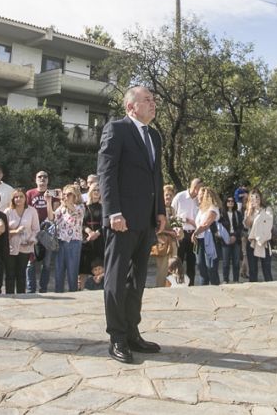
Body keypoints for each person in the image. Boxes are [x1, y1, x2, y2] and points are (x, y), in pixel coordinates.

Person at [97, 85, 166, 364]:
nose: (153, 104)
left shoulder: (155, 136)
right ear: (131, 107)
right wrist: (113, 211)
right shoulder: (117, 129)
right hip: (121, 220)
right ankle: (117, 337)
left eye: (153, 100)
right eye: (147, 100)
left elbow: (156, 176)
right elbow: (106, 172)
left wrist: (160, 211)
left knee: (138, 280)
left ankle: (132, 332)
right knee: (115, 280)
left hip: (146, 220)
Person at [24, 170, 53, 293]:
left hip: (47, 231)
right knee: (31, 261)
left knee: (46, 263)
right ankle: (31, 289)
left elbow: (53, 215)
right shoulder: (30, 193)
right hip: (33, 230)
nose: (42, 178)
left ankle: (43, 289)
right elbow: (26, 211)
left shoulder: (52, 193)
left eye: (45, 176)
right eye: (39, 176)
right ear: (35, 179)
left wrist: (48, 200)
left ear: (48, 179)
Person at [5, 189, 38, 294]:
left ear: (25, 198)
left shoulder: (32, 211)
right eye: (16, 197)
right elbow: (3, 231)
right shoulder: (8, 212)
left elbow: (36, 229)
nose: (18, 199)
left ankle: (21, 296)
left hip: (25, 246)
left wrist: (31, 240)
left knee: (21, 273)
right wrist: (15, 231)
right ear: (13, 199)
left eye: (21, 196)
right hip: (11, 247)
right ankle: (9, 296)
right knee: (10, 274)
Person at [170, 177, 201, 286]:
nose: (200, 191)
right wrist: (177, 227)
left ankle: (191, 285)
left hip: (194, 234)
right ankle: (177, 284)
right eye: (199, 188)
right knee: (178, 261)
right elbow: (172, 215)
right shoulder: (180, 196)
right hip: (181, 233)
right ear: (195, 187)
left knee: (192, 262)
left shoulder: (200, 199)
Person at [52, 184, 84, 293]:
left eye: (69, 194)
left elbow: (74, 210)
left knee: (72, 271)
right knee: (59, 271)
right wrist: (48, 201)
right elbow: (52, 217)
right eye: (65, 194)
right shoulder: (62, 208)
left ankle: (73, 293)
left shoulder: (81, 206)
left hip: (73, 242)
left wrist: (64, 201)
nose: (66, 196)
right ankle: (59, 293)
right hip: (60, 241)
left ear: (75, 195)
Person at [194, 186, 222, 286]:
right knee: (202, 268)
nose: (198, 197)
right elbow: (198, 224)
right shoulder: (201, 209)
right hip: (199, 240)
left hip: (210, 240)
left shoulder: (213, 208)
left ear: (205, 196)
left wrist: (195, 233)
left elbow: (206, 224)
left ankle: (216, 291)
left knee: (211, 268)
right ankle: (204, 293)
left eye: (200, 195)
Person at [244, 188, 274, 282]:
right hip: (252, 242)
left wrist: (258, 211)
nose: (255, 199)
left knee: (267, 269)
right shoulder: (248, 211)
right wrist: (250, 211)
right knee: (252, 270)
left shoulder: (267, 209)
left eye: (257, 197)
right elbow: (247, 225)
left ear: (260, 198)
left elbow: (269, 223)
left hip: (264, 241)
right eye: (252, 198)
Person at [79, 184, 104, 290]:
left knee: (99, 266)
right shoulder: (84, 206)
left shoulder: (104, 206)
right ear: (90, 191)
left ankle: (101, 287)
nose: (96, 192)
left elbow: (106, 223)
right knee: (84, 267)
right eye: (94, 190)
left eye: (99, 190)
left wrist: (97, 233)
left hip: (100, 239)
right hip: (87, 240)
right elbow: (81, 222)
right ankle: (82, 289)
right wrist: (89, 232)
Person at [219, 194, 243, 283]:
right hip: (225, 239)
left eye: (232, 201)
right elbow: (220, 227)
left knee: (236, 261)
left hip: (236, 238)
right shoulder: (221, 214)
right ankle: (225, 279)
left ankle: (236, 279)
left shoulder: (238, 213)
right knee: (225, 261)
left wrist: (234, 236)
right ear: (225, 203)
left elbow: (240, 226)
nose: (230, 202)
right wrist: (227, 236)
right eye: (228, 201)